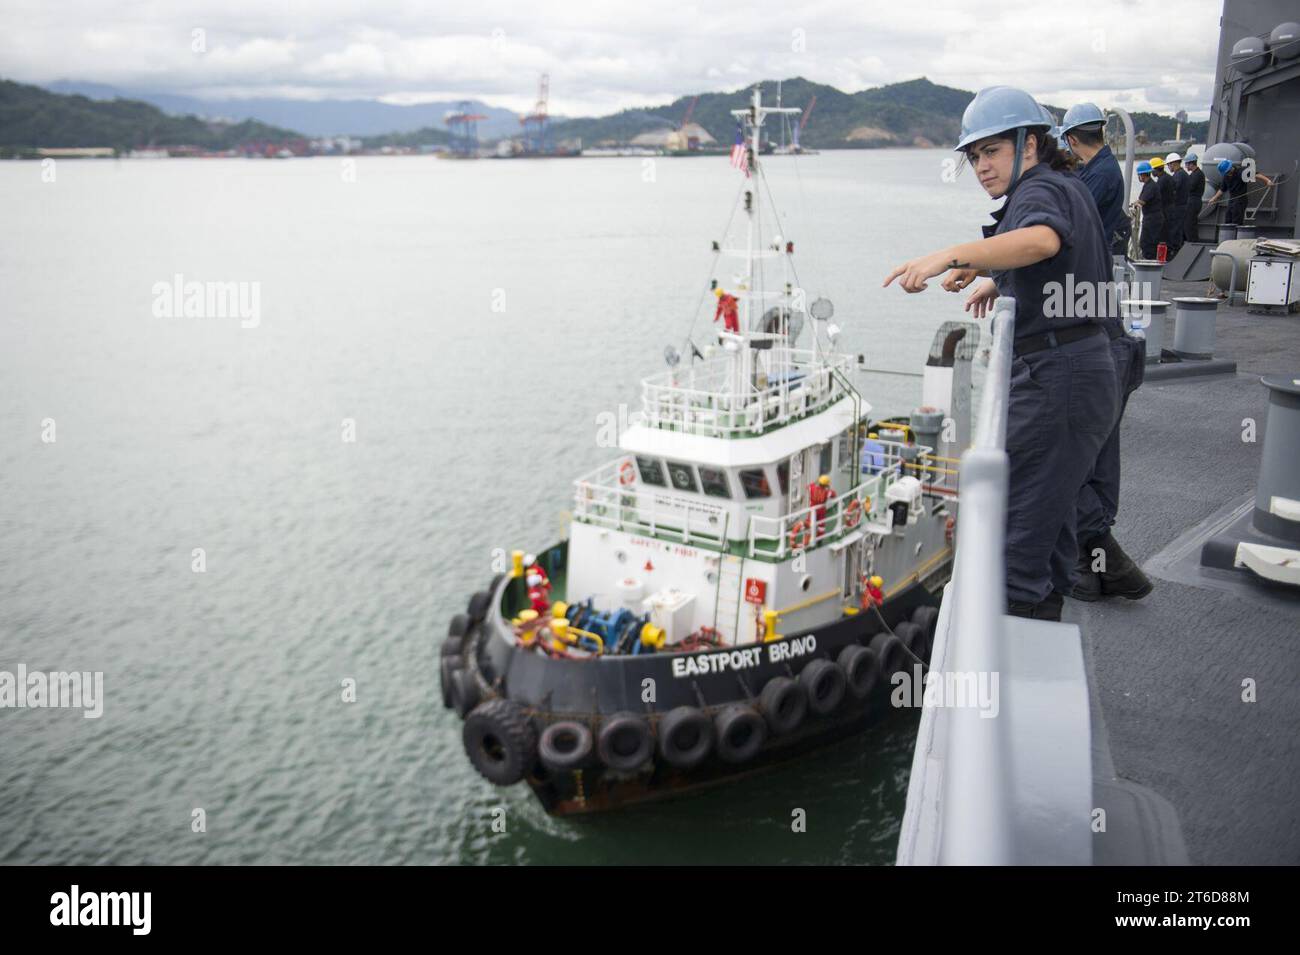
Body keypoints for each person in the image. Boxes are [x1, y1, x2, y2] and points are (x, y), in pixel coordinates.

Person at [883, 85, 1119, 621]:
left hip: (1058, 376)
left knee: (1014, 528)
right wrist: (995, 273)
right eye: (973, 156)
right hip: (1085, 362)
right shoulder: (1069, 183)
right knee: (1051, 521)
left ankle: (1005, 667)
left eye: (991, 151)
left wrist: (951, 254)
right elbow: (1064, 255)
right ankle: (1042, 637)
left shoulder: (1036, 193)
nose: (981, 167)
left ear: (1030, 144)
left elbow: (1041, 242)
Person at [1060, 103, 1130, 255]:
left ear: (1072, 140)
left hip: (1093, 256)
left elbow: (1072, 219)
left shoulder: (1100, 174)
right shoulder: (1100, 166)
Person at [1207, 158, 1274, 226]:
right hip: (1232, 199)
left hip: (1240, 199)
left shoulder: (1241, 172)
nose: (1226, 174)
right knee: (1228, 219)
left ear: (1230, 168)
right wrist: (1214, 198)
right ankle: (1228, 235)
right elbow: (1222, 189)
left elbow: (1256, 174)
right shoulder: (1226, 176)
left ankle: (1236, 235)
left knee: (1236, 220)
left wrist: (1267, 181)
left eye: (1227, 172)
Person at [1133, 161, 1163, 260]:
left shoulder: (1151, 186)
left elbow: (1142, 201)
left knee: (1147, 243)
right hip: (1151, 218)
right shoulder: (1149, 185)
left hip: (1152, 219)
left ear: (1142, 175)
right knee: (1147, 242)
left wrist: (1135, 204)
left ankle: (1150, 262)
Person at [1165, 153, 1189, 256]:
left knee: (1174, 230)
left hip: (1177, 207)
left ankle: (1174, 252)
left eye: (1169, 165)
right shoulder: (1184, 174)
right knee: (1178, 229)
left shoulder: (1178, 175)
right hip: (1183, 205)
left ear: (1173, 163)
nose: (1168, 167)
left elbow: (1173, 190)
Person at [1149, 157, 1175, 251]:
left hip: (1165, 210)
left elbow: (1155, 196)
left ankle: (1167, 253)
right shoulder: (1167, 177)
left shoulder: (1162, 181)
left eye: (1152, 170)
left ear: (1156, 169)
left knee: (1164, 234)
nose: (1151, 173)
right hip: (1170, 208)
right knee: (1168, 232)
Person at [1183, 154, 1205, 241]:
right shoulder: (1194, 174)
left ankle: (1193, 242)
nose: (1186, 166)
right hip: (1193, 201)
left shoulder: (1197, 175)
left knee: (1190, 224)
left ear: (1191, 164)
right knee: (1188, 223)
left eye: (1187, 164)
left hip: (1194, 201)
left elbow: (1190, 187)